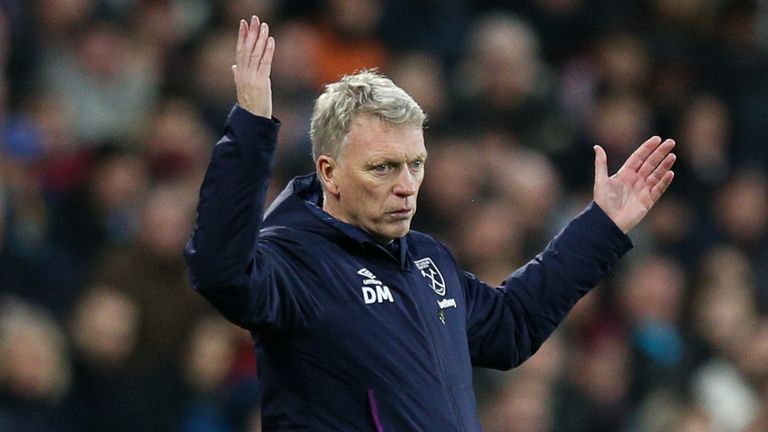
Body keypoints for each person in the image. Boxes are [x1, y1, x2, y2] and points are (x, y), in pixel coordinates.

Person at [184, 16, 676, 431]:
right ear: (329, 172)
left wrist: (603, 225)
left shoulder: (426, 259)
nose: (406, 185)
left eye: (414, 164)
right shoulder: (294, 260)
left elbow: (512, 326)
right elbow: (221, 272)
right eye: (383, 167)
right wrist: (250, 129)